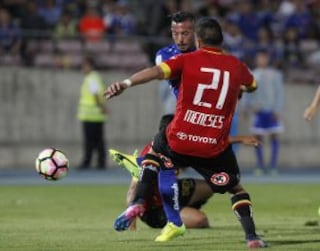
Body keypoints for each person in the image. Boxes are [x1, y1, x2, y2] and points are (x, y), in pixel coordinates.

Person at [104, 17, 267, 248]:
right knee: (236, 189)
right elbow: (252, 86)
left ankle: (139, 200)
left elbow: (155, 72)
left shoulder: (186, 60)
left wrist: (126, 83)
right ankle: (251, 237)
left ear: (198, 40)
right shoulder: (236, 66)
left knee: (156, 149)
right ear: (222, 40)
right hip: (212, 144)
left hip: (180, 138)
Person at [110, 114, 260, 230]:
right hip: (156, 210)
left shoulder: (183, 143)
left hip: (175, 190)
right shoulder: (150, 154)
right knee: (201, 221)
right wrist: (131, 220)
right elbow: (134, 187)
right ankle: (180, 217)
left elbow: (208, 142)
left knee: (213, 186)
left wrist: (240, 139)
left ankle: (186, 210)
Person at [243, 50, 284, 176]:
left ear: (267, 59)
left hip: (271, 111)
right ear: (256, 60)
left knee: (274, 136)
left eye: (264, 58)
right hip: (258, 111)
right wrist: (248, 107)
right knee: (257, 138)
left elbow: (279, 93)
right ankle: (260, 165)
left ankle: (273, 165)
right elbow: (247, 92)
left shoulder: (275, 74)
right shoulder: (251, 74)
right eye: (260, 58)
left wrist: (278, 109)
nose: (262, 60)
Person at [77, 56, 107, 169]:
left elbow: (95, 94)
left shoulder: (92, 78)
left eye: (84, 66)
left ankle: (88, 162)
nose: (83, 68)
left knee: (91, 141)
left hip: (91, 115)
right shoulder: (94, 77)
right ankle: (100, 162)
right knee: (98, 140)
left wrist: (102, 107)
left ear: (90, 65)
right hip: (95, 115)